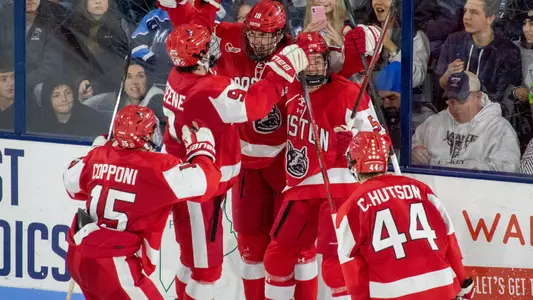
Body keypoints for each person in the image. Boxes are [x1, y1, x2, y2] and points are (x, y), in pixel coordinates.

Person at [162, 22, 311, 300]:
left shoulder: (176, 77)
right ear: (200, 56)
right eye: (209, 45)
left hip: (190, 182)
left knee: (190, 260)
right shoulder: (208, 89)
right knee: (205, 272)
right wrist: (281, 71)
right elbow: (255, 105)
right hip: (200, 190)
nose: (215, 46)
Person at [263, 32, 383, 300]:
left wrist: (354, 144)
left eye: (319, 59)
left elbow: (379, 140)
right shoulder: (288, 88)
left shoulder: (350, 93)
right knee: (277, 257)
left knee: (335, 266)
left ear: (328, 62)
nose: (314, 66)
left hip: (339, 186)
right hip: (300, 186)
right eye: (307, 60)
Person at [63, 105, 221, 300]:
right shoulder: (156, 168)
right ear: (144, 137)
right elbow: (206, 183)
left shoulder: (97, 156)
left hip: (79, 255)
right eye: (153, 130)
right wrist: (202, 149)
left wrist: (96, 151)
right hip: (114, 266)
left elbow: (71, 184)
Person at [334, 130, 475, 300]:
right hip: (441, 289)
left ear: (353, 162)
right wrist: (463, 282)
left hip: (392, 295)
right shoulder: (421, 190)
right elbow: (449, 238)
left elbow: (353, 272)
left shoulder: (351, 208)